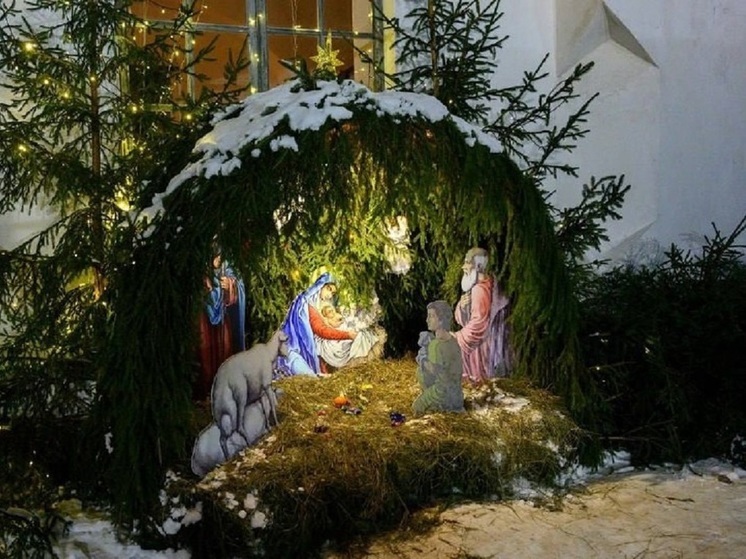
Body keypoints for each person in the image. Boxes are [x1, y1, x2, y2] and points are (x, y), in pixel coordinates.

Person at [277, 273, 379, 376]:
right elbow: (322, 330)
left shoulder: (312, 304)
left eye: (333, 293)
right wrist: (347, 335)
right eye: (328, 289)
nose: (330, 295)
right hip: (299, 349)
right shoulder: (308, 307)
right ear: (320, 286)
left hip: (310, 345)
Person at [452, 247, 511, 384]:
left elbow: (478, 325)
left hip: (482, 347)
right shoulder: (486, 283)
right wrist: (462, 307)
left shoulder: (479, 290)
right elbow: (468, 317)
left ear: (478, 266)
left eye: (467, 263)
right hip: (484, 343)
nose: (463, 267)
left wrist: (456, 337)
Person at [195, 251, 246, 400]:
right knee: (204, 353)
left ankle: (224, 388)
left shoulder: (227, 260)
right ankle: (205, 392)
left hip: (223, 318)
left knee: (225, 348)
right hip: (203, 318)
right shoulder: (198, 257)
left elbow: (238, 283)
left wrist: (230, 284)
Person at [412, 300, 464, 415]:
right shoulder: (453, 340)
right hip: (457, 394)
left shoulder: (435, 345)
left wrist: (422, 358)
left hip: (442, 392)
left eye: (431, 316)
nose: (427, 320)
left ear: (441, 320)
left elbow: (433, 371)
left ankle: (437, 405)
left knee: (417, 407)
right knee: (421, 372)